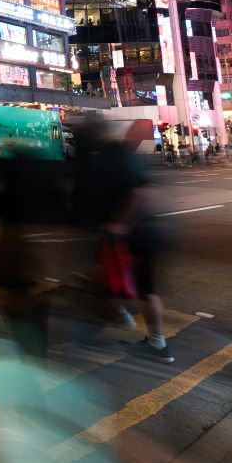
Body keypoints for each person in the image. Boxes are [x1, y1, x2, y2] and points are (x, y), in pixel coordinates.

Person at [72, 116, 173, 363]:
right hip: (141, 233)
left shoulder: (114, 158)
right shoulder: (122, 155)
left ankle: (147, 337)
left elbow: (139, 193)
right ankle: (152, 340)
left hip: (133, 236)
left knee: (131, 286)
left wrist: (121, 225)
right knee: (139, 288)